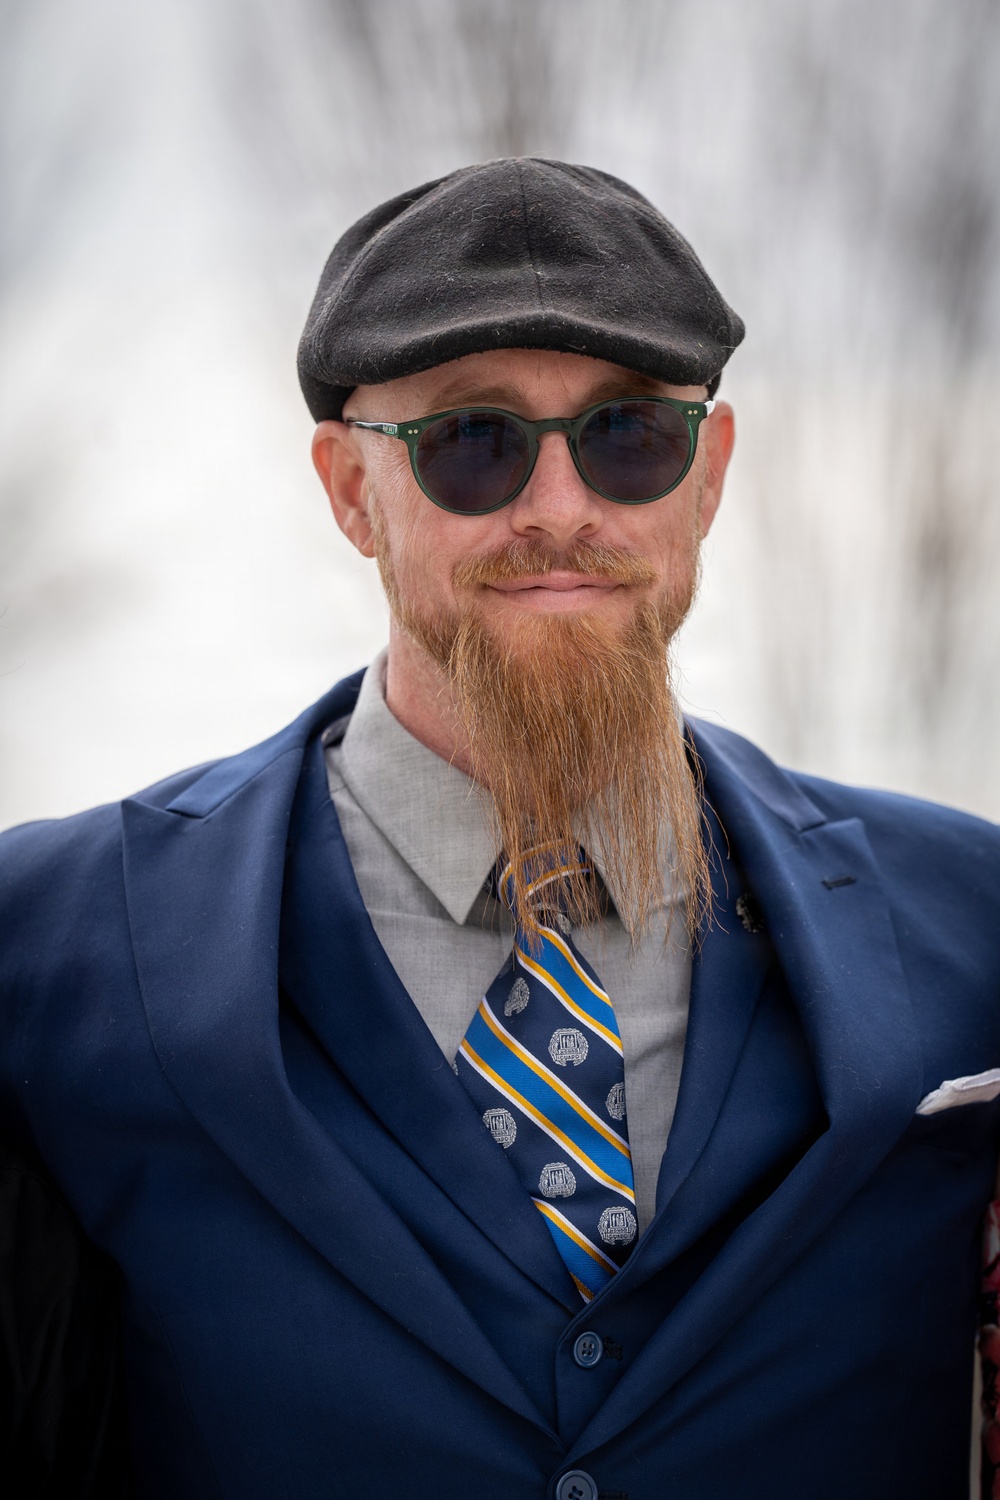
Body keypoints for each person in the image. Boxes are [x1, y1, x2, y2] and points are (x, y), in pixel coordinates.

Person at [1, 157, 998, 1500]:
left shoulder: (971, 925)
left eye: (630, 435)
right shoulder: (47, 950)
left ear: (709, 476)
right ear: (350, 490)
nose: (561, 510)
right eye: (473, 442)